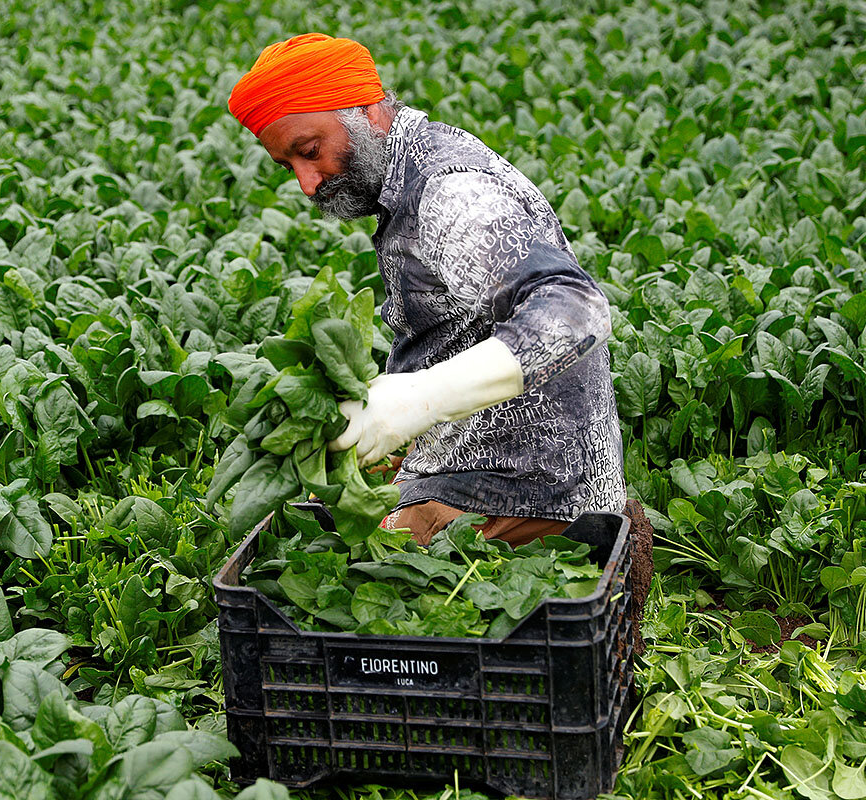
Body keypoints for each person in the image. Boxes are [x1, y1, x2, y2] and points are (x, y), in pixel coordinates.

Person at [227, 33, 627, 548]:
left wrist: (416, 401)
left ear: (368, 110)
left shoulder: (450, 190)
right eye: (290, 166)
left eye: (310, 152)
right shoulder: (405, 173)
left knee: (320, 571)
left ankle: (588, 537)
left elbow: (576, 311)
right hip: (477, 460)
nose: (307, 184)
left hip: (526, 488)